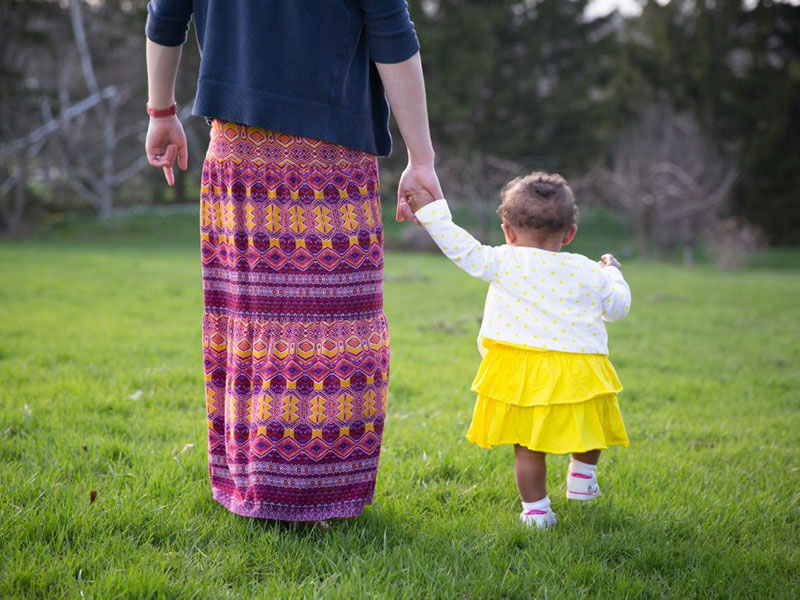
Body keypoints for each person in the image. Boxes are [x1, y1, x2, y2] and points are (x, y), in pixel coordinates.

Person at [144, 1, 442, 521]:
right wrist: (421, 160)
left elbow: (165, 15)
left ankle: (257, 486)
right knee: (336, 324)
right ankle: (321, 496)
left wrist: (161, 112)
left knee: (251, 321)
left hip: (238, 149)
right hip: (333, 156)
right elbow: (393, 34)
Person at [405, 172, 631, 529]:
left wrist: (430, 211)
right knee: (590, 426)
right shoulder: (590, 271)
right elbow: (618, 309)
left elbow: (460, 247)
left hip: (522, 369)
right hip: (580, 367)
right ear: (570, 234)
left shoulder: (502, 260)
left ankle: (537, 511)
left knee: (527, 446)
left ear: (507, 231)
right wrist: (614, 273)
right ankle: (582, 477)